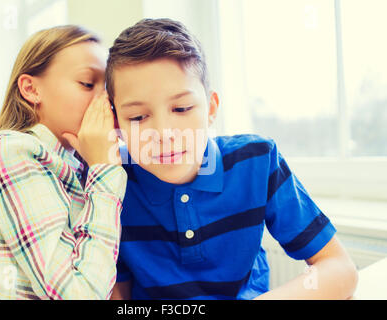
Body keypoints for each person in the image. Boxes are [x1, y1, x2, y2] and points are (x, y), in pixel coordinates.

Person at [106, 18, 358, 300]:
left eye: (181, 108)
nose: (164, 134)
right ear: (115, 123)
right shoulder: (112, 183)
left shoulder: (257, 162)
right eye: (138, 117)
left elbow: (339, 267)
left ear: (211, 108)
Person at [0, 25, 126, 299]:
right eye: (87, 83)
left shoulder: (76, 166)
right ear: (31, 88)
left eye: (108, 88)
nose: (105, 99)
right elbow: (80, 293)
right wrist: (105, 170)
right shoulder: (11, 152)